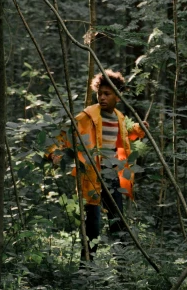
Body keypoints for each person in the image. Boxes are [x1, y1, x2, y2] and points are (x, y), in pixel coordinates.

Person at [46, 70, 145, 261]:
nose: (102, 97)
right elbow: (65, 133)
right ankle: (87, 266)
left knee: (118, 221)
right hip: (92, 177)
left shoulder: (119, 117)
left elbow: (124, 136)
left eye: (107, 94)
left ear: (118, 95)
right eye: (100, 93)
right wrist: (53, 152)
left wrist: (139, 130)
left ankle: (122, 268)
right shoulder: (88, 116)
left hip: (114, 176)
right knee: (93, 224)